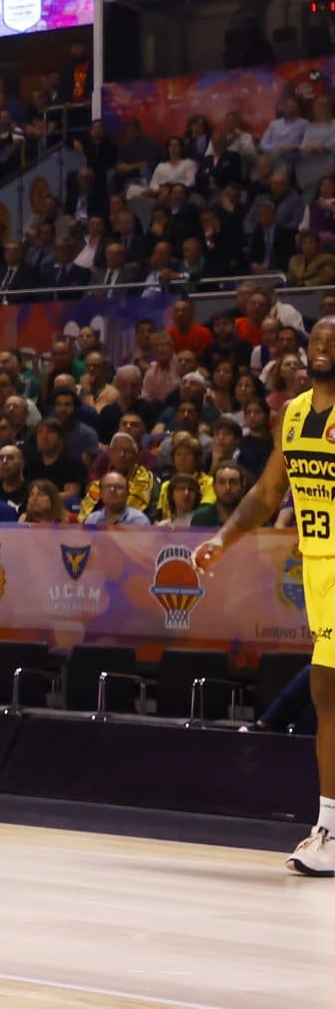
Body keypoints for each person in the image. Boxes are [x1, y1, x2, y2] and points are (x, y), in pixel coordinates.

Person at [197, 315, 335, 876]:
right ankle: (328, 826)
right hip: (319, 570)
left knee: (329, 688)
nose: (324, 345)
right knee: (328, 697)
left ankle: (328, 829)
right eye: (318, 338)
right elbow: (270, 489)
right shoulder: (295, 412)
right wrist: (224, 538)